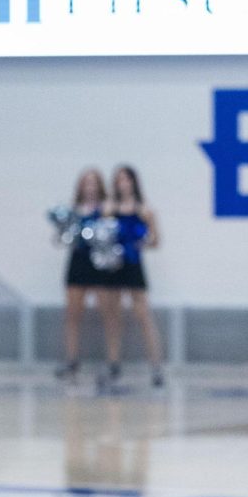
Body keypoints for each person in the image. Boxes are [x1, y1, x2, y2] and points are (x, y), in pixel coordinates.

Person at [100, 164, 164, 388]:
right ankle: (113, 364)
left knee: (143, 315)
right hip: (113, 265)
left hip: (133, 264)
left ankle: (156, 365)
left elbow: (156, 240)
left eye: (126, 180)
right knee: (112, 317)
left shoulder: (144, 210)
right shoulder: (109, 208)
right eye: (119, 180)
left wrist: (141, 242)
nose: (123, 184)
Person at [54, 168, 111, 381]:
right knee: (72, 315)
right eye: (86, 183)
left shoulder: (106, 209)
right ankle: (71, 360)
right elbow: (62, 237)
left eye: (94, 183)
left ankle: (108, 361)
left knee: (106, 313)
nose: (90, 187)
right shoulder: (73, 210)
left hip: (99, 263)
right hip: (78, 262)